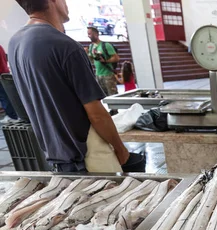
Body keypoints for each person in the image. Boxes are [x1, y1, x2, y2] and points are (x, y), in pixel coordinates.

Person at [9, 0, 129, 173]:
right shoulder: (64, 45)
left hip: (56, 154)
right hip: (86, 155)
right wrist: (120, 148)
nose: (66, 4)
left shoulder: (15, 43)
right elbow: (96, 113)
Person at [87, 26, 120, 97]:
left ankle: (114, 108)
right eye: (88, 34)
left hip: (108, 74)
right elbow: (92, 61)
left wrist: (106, 61)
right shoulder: (91, 47)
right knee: (103, 96)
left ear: (96, 34)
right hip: (98, 75)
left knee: (113, 95)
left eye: (90, 34)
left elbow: (116, 58)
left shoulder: (105, 45)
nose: (88, 36)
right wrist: (87, 54)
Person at [0, 45, 18, 123]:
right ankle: (12, 116)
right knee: (6, 96)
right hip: (4, 73)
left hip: (1, 74)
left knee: (4, 97)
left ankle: (12, 116)